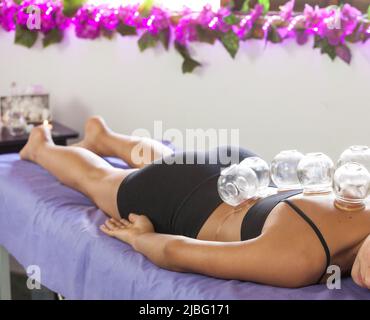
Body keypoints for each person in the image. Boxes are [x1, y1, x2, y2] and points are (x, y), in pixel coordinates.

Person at [20, 116, 370, 288]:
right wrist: (140, 237)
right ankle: (40, 146)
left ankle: (104, 138)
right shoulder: (300, 257)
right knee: (98, 181)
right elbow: (177, 253)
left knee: (173, 165)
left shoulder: (360, 197)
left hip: (244, 169)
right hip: (189, 196)